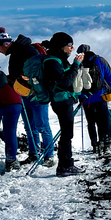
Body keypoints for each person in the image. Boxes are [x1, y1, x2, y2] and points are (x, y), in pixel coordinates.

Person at [0, 27, 55, 167]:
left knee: (42, 125)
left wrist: (29, 80)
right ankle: (34, 154)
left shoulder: (26, 50)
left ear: (6, 43)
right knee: (30, 126)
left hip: (37, 93)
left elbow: (40, 69)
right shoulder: (17, 51)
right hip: (25, 93)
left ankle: (49, 156)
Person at [43, 32, 85, 177]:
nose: (72, 47)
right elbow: (65, 82)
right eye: (69, 45)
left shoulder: (57, 59)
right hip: (61, 101)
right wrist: (76, 65)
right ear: (61, 46)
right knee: (67, 133)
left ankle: (66, 161)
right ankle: (64, 165)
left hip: (63, 100)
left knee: (67, 133)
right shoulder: (53, 62)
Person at [77, 44, 111, 153]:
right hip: (100, 96)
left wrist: (80, 96)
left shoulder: (79, 63)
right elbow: (109, 77)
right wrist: (105, 90)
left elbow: (76, 82)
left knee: (91, 122)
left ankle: (95, 144)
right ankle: (105, 142)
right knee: (103, 121)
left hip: (86, 99)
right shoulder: (99, 60)